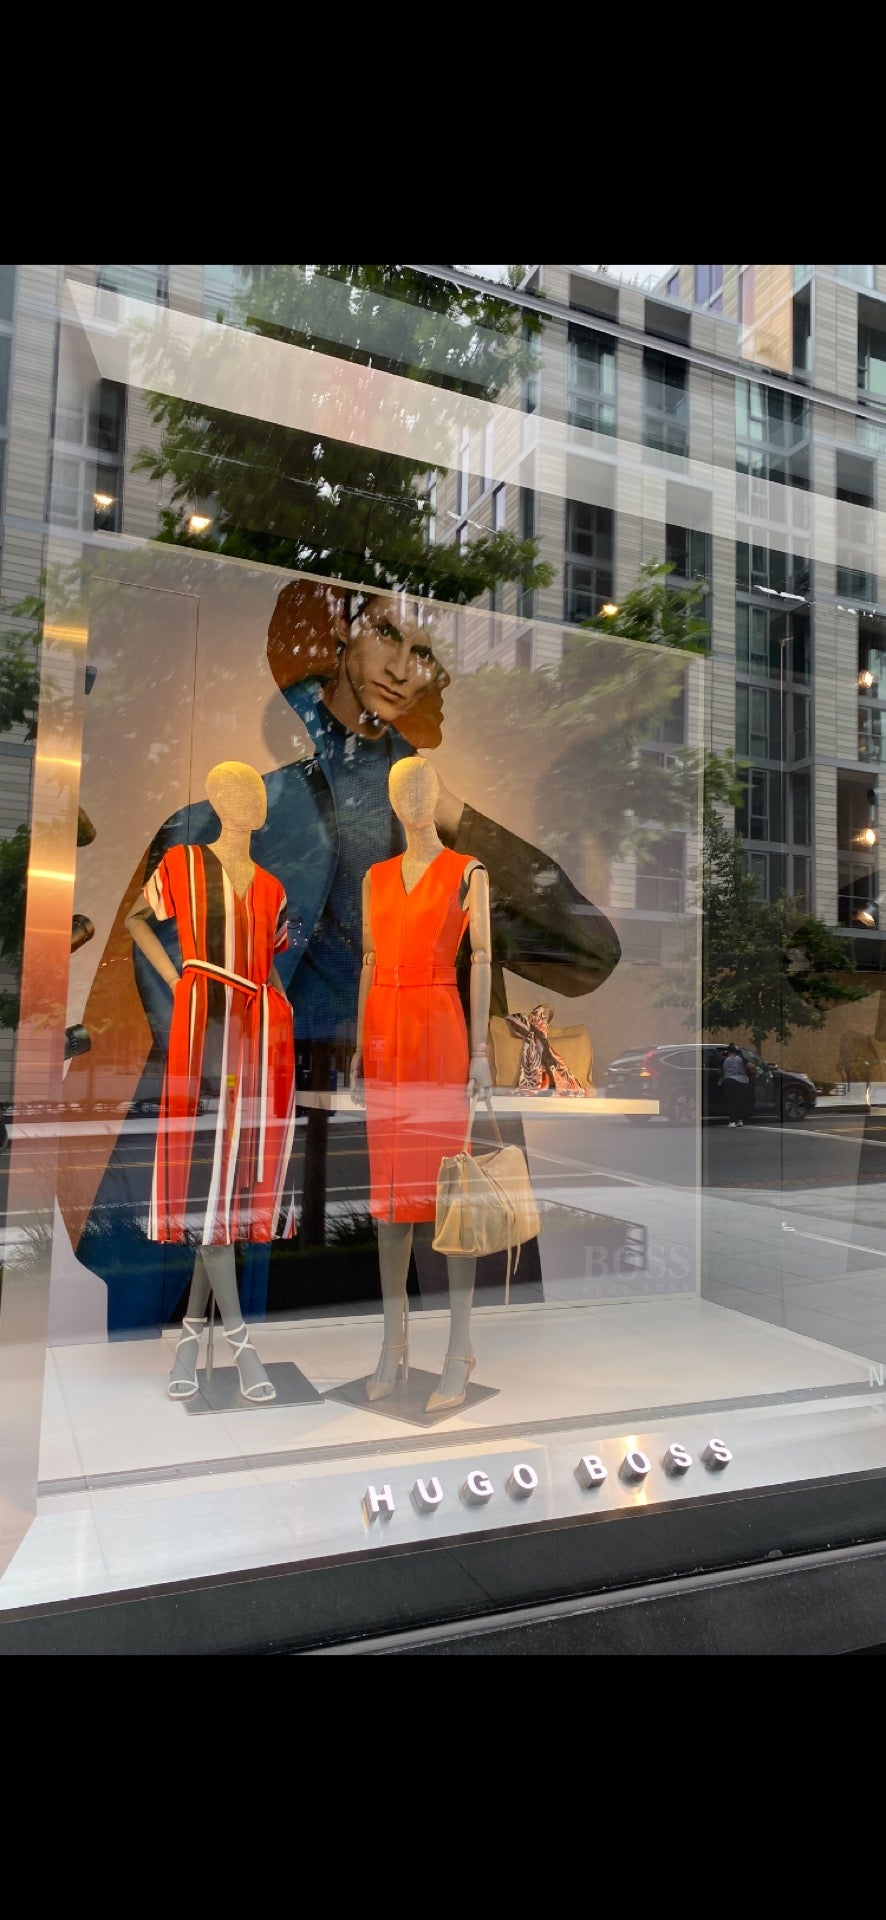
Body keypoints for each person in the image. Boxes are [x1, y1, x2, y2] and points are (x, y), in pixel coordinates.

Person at [61, 577, 621, 1332]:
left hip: (414, 1100)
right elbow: (170, 989)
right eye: (387, 634)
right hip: (283, 1115)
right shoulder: (239, 817)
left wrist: (454, 813)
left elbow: (589, 952)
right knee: (284, 1316)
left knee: (413, 1303)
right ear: (341, 640)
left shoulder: (443, 841)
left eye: (424, 652)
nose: (403, 666)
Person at [123, 761, 297, 1400]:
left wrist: (282, 1012)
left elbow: (269, 965)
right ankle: (242, 1344)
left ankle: (191, 1336)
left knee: (230, 1182)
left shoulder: (273, 888)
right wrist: (180, 981)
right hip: (207, 1026)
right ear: (219, 800)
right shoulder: (185, 864)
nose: (255, 798)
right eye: (239, 789)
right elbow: (136, 920)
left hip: (259, 1031)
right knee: (210, 1174)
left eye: (258, 789)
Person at [351, 757, 492, 1414]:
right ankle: (392, 1345)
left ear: (436, 795)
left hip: (438, 1029)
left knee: (448, 1197)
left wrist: (482, 1051)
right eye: (398, 788)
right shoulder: (375, 877)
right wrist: (361, 1045)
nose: (409, 797)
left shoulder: (467, 871)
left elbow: (481, 956)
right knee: (389, 1201)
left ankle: (460, 1348)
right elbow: (369, 961)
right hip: (385, 1031)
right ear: (389, 800)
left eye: (420, 786)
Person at [720, 1043, 750, 1128]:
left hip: (729, 1081)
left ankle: (732, 1121)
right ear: (736, 1052)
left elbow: (720, 1071)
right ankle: (740, 1120)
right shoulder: (741, 1058)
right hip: (742, 1081)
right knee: (740, 1100)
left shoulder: (724, 1059)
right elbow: (749, 1066)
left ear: (728, 1052)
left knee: (731, 1101)